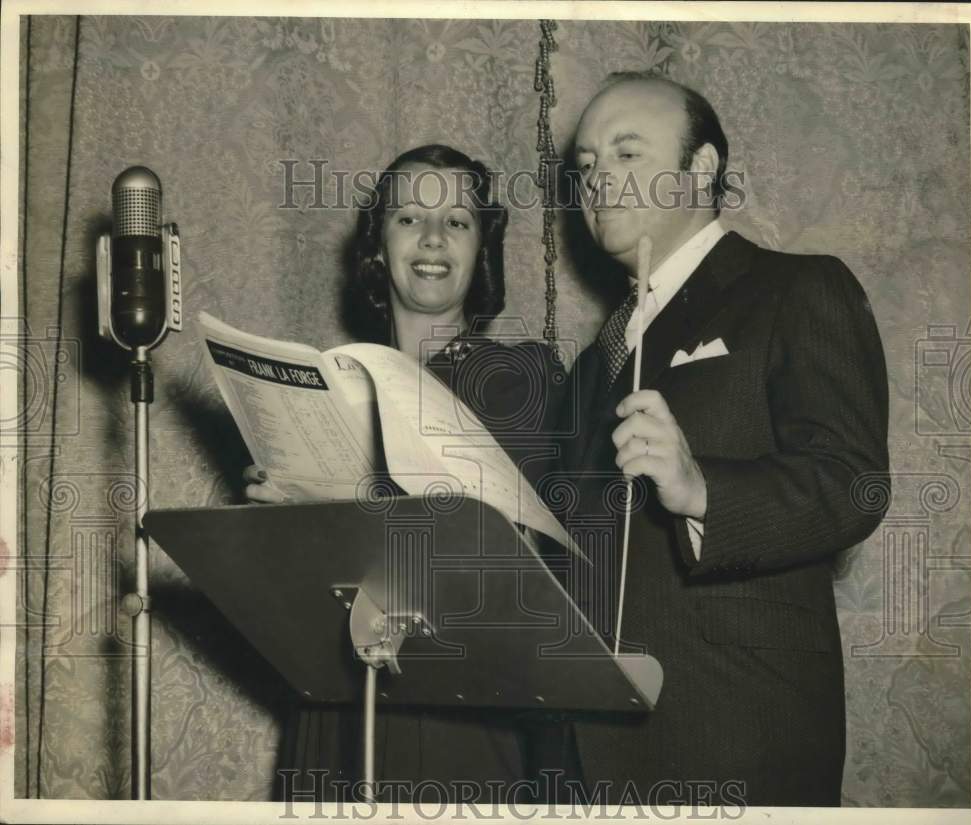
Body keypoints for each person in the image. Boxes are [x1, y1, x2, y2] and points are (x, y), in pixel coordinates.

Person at [549, 73, 890, 807]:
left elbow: (853, 482)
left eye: (627, 153)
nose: (599, 179)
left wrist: (701, 488)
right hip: (588, 752)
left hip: (735, 736)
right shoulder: (590, 365)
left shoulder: (798, 290)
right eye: (586, 164)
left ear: (700, 169)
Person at [246, 144, 565, 804]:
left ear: (483, 248)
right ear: (377, 244)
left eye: (457, 221)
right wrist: (280, 524)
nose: (431, 239)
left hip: (454, 704)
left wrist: (351, 500)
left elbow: (522, 565)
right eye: (408, 218)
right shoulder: (327, 384)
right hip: (331, 701)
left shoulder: (520, 377)